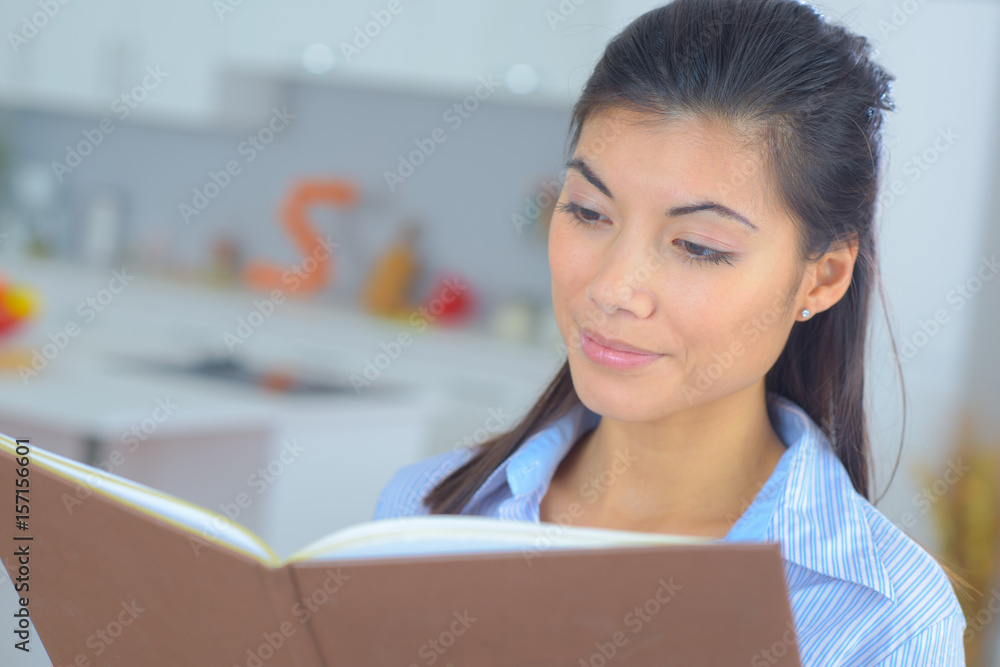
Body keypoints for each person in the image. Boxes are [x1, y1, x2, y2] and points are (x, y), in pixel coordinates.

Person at [374, 0, 967, 663]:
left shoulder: (882, 617)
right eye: (587, 211)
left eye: (697, 245)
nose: (611, 288)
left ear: (823, 276)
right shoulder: (425, 512)